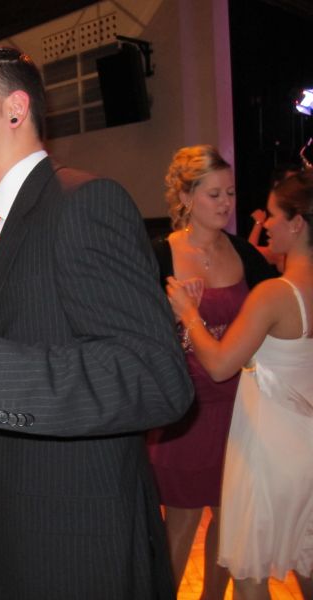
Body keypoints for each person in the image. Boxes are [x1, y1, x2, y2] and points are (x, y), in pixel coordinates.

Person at [0, 45, 194, 598]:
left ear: (15, 109)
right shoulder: (1, 226)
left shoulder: (83, 202)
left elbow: (157, 377)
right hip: (8, 524)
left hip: (76, 544)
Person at [166, 171, 313, 600]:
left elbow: (218, 365)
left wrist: (188, 314)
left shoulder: (274, 293)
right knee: (305, 560)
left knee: (250, 574)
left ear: (297, 224)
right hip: (304, 441)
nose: (265, 223)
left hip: (268, 449)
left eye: (273, 215)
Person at [148, 145, 278, 598]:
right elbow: (139, 338)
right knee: (180, 526)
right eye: (214, 194)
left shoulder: (244, 253)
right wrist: (177, 321)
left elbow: (273, 322)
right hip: (185, 411)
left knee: (230, 527)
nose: (226, 203)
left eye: (230, 193)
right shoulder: (159, 255)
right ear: (186, 197)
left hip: (241, 411)